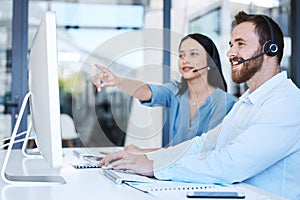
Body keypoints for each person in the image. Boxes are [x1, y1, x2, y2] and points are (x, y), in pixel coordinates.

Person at [99, 11, 300, 200]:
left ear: (270, 50)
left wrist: (153, 166)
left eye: (240, 44)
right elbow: (203, 144)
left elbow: (230, 163)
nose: (231, 52)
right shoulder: (246, 103)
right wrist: (146, 159)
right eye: (231, 45)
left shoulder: (287, 103)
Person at [92, 33, 236, 151]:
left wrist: (143, 152)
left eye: (193, 54)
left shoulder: (225, 102)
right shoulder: (176, 91)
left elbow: (203, 151)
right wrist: (118, 81)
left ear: (210, 62)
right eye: (181, 55)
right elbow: (147, 91)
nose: (185, 60)